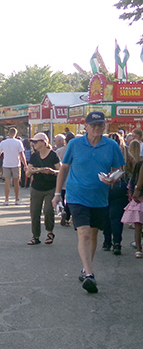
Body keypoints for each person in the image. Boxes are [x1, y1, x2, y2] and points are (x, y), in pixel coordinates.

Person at [52, 111, 125, 293]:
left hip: (100, 197)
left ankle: (85, 268)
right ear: (86, 126)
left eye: (100, 125)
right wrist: (57, 194)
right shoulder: (75, 144)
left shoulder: (111, 145)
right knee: (83, 233)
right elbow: (64, 168)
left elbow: (119, 169)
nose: (97, 128)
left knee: (93, 234)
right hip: (77, 195)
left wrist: (113, 179)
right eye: (93, 125)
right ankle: (90, 275)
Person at [25, 132, 60, 245]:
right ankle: (35, 236)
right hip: (36, 187)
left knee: (48, 210)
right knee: (34, 212)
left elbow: (61, 171)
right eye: (32, 142)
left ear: (44, 143)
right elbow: (28, 173)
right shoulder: (34, 156)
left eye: (35, 142)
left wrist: (52, 172)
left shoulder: (53, 155)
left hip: (50, 187)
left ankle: (50, 232)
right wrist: (34, 170)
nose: (33, 144)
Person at [102, 133, 129, 254]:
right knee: (116, 217)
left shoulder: (103, 153)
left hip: (105, 186)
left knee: (106, 215)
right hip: (121, 187)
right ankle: (117, 242)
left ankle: (107, 241)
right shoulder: (127, 153)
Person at [121, 139, 143, 258]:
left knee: (138, 224)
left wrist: (136, 191)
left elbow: (139, 181)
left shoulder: (140, 164)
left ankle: (139, 248)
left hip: (140, 197)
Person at [0, 128, 25, 205]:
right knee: (16, 182)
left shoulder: (3, 143)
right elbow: (21, 154)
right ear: (15, 134)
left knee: (7, 182)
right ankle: (16, 199)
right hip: (16, 164)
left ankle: (6, 200)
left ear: (8, 133)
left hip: (6, 164)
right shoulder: (18, 142)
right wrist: (25, 165)